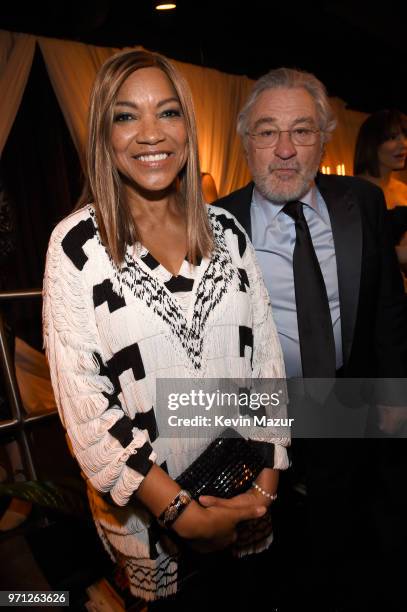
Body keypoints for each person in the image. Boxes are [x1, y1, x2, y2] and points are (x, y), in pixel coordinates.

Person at [42, 50, 289, 609]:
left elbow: (267, 364)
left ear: (189, 127)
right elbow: (87, 413)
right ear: (103, 133)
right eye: (126, 116)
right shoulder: (79, 248)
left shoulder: (228, 233)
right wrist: (181, 513)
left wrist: (263, 488)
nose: (150, 133)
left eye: (168, 113)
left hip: (243, 487)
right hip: (149, 521)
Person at [215, 67, 407, 610]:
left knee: (356, 538)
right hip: (268, 411)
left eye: (301, 131)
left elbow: (388, 308)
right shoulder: (216, 225)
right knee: (277, 551)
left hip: (354, 399)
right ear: (245, 138)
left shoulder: (362, 205)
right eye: (266, 131)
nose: (283, 150)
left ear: (324, 137)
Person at [354, 109, 407, 275]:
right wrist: (398, 254)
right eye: (392, 138)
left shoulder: (403, 189)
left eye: (405, 136)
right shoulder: (354, 193)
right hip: (373, 294)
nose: (403, 144)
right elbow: (354, 254)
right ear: (372, 144)